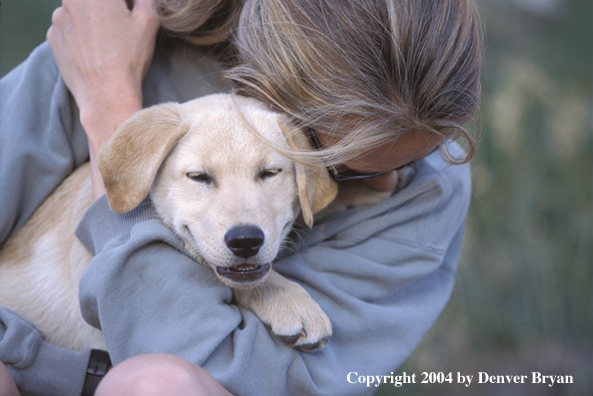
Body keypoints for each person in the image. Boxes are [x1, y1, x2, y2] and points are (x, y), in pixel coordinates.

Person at [0, 0, 483, 394]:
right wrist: (110, 98)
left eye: (403, 164)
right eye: (323, 156)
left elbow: (214, 372)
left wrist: (109, 107)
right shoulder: (122, 44)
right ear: (264, 81)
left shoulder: (425, 197)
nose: (384, 187)